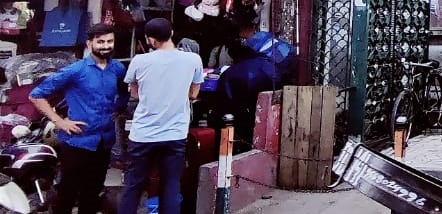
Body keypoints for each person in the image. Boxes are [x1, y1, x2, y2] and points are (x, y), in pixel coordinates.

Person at [30, 23, 127, 214]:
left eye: (110, 41)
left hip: (104, 141)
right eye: (101, 42)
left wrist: (118, 109)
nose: (106, 46)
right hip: (77, 142)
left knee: (92, 193)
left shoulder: (118, 69)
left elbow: (125, 93)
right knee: (67, 193)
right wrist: (59, 121)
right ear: (89, 43)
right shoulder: (75, 70)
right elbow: (36, 95)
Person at [118, 18, 205, 214]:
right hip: (175, 135)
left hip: (142, 136)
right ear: (172, 33)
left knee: (134, 186)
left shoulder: (139, 61)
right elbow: (193, 94)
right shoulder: (193, 59)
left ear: (150, 40)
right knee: (171, 185)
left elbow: (134, 94)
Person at [213, 41, 281, 148]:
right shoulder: (271, 67)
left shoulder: (230, 73)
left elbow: (225, 101)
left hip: (242, 118)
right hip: (270, 116)